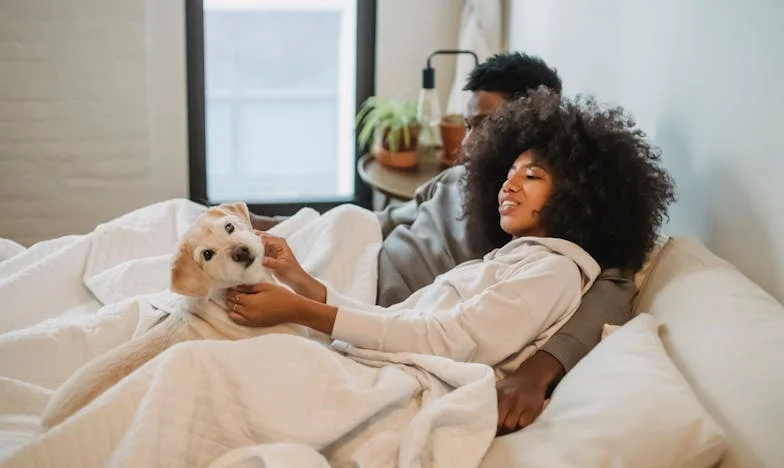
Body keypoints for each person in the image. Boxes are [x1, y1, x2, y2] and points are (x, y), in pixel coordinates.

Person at [230, 88, 676, 429]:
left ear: (578, 194)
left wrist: (301, 309)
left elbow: (442, 337)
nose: (508, 185)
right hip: (374, 348)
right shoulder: (508, 257)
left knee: (215, 369)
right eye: (508, 173)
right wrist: (299, 280)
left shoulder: (554, 270)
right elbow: (402, 312)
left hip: (395, 378)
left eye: (532, 176)